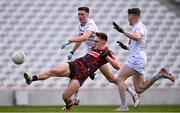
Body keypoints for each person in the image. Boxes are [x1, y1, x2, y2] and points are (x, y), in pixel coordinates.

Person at [60, 7, 139, 106]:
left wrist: (69, 41)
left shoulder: (90, 25)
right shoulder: (81, 26)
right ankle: (75, 99)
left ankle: (133, 93)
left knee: (111, 78)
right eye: (78, 14)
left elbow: (84, 37)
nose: (80, 16)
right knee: (75, 72)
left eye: (82, 14)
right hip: (88, 54)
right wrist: (72, 51)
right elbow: (81, 39)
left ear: (87, 15)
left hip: (97, 55)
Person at [23, 32, 120, 111]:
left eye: (96, 42)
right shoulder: (94, 48)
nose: (93, 43)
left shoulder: (107, 52)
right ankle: (32, 78)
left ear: (103, 42)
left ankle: (70, 104)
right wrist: (72, 51)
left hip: (81, 75)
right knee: (54, 70)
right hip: (75, 64)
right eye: (94, 41)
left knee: (65, 97)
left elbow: (117, 66)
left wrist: (106, 57)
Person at [112, 8, 175, 111]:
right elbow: (136, 44)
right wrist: (126, 47)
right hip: (139, 58)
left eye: (128, 16)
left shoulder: (139, 27)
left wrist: (122, 30)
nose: (128, 19)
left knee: (119, 79)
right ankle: (160, 74)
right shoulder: (137, 27)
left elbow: (137, 37)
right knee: (139, 88)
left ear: (133, 16)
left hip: (137, 59)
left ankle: (124, 106)